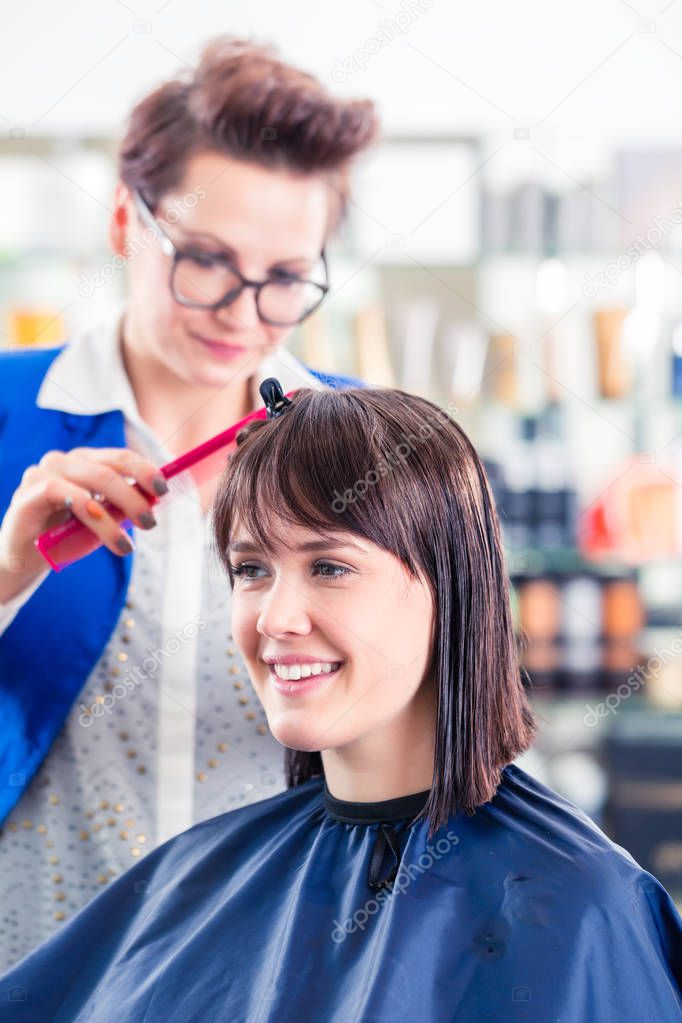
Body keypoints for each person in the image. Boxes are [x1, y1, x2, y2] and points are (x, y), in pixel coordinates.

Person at [1, 385, 680, 1022]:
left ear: (452, 585)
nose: (275, 617)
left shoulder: (579, 909)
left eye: (329, 566)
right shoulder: (194, 879)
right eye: (251, 569)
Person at [0, 36, 379, 969]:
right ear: (128, 222)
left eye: (287, 277)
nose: (244, 314)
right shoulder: (8, 416)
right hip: (40, 966)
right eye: (206, 259)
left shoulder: (365, 445)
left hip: (277, 972)